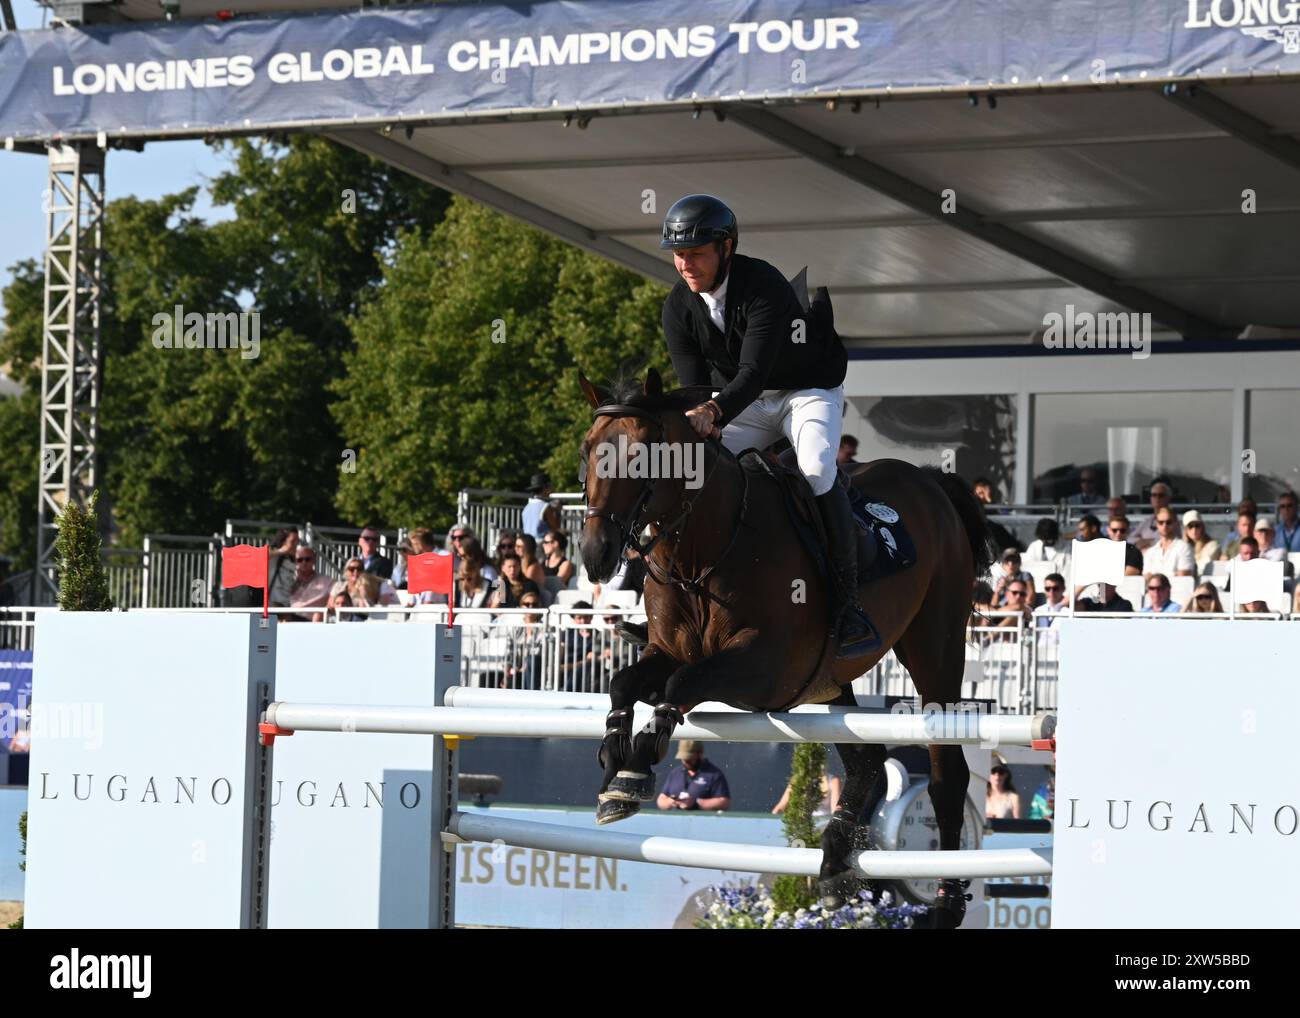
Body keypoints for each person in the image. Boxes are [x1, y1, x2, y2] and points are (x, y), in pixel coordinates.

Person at [659, 193, 873, 658]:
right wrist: (695, 424)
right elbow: (695, 388)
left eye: (696, 252)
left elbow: (752, 373)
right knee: (694, 470)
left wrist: (714, 414)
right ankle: (677, 606)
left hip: (806, 388)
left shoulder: (763, 285)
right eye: (679, 253)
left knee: (816, 469)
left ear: (727, 247)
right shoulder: (677, 308)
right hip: (744, 401)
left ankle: (848, 604)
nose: (685, 263)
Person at [656, 740, 731, 812]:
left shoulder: (714, 774)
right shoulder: (675, 773)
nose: (685, 761)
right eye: (683, 757)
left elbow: (724, 802)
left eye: (689, 757)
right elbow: (661, 800)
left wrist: (695, 803)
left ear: (700, 754)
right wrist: (672, 802)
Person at [521, 473, 562, 540]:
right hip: (541, 545)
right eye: (550, 486)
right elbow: (556, 528)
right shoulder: (545, 507)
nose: (551, 490)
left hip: (527, 544)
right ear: (544, 488)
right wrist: (558, 512)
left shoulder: (526, 507)